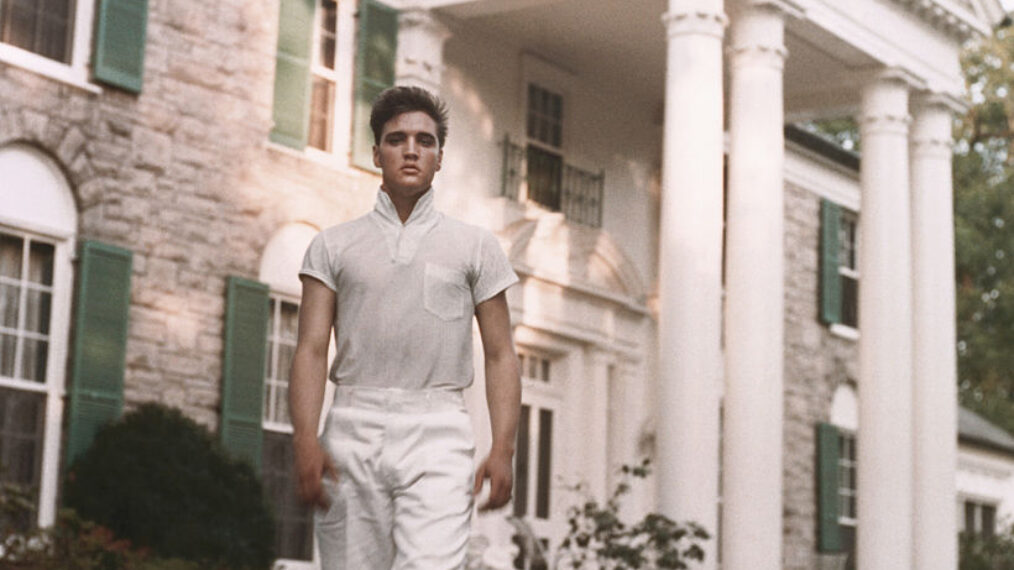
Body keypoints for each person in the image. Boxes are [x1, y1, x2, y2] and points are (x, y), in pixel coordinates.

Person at [289, 85, 522, 569]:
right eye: (396, 139)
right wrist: (305, 439)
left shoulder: (475, 247)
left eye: (425, 140)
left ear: (440, 157)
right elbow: (310, 349)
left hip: (438, 430)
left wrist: (503, 447)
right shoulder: (332, 246)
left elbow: (500, 353)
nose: (411, 150)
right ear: (376, 153)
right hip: (352, 426)